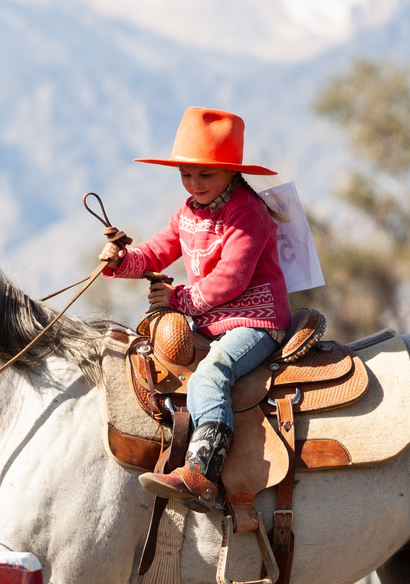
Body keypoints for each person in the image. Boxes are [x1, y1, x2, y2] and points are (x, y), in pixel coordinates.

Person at [99, 106, 291, 510]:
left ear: (232, 172)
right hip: (211, 320)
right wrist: (122, 261)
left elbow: (231, 279)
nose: (194, 183)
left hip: (255, 321)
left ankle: (202, 472)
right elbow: (157, 250)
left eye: (206, 174)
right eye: (186, 174)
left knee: (212, 374)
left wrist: (178, 300)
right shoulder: (189, 211)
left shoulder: (247, 213)